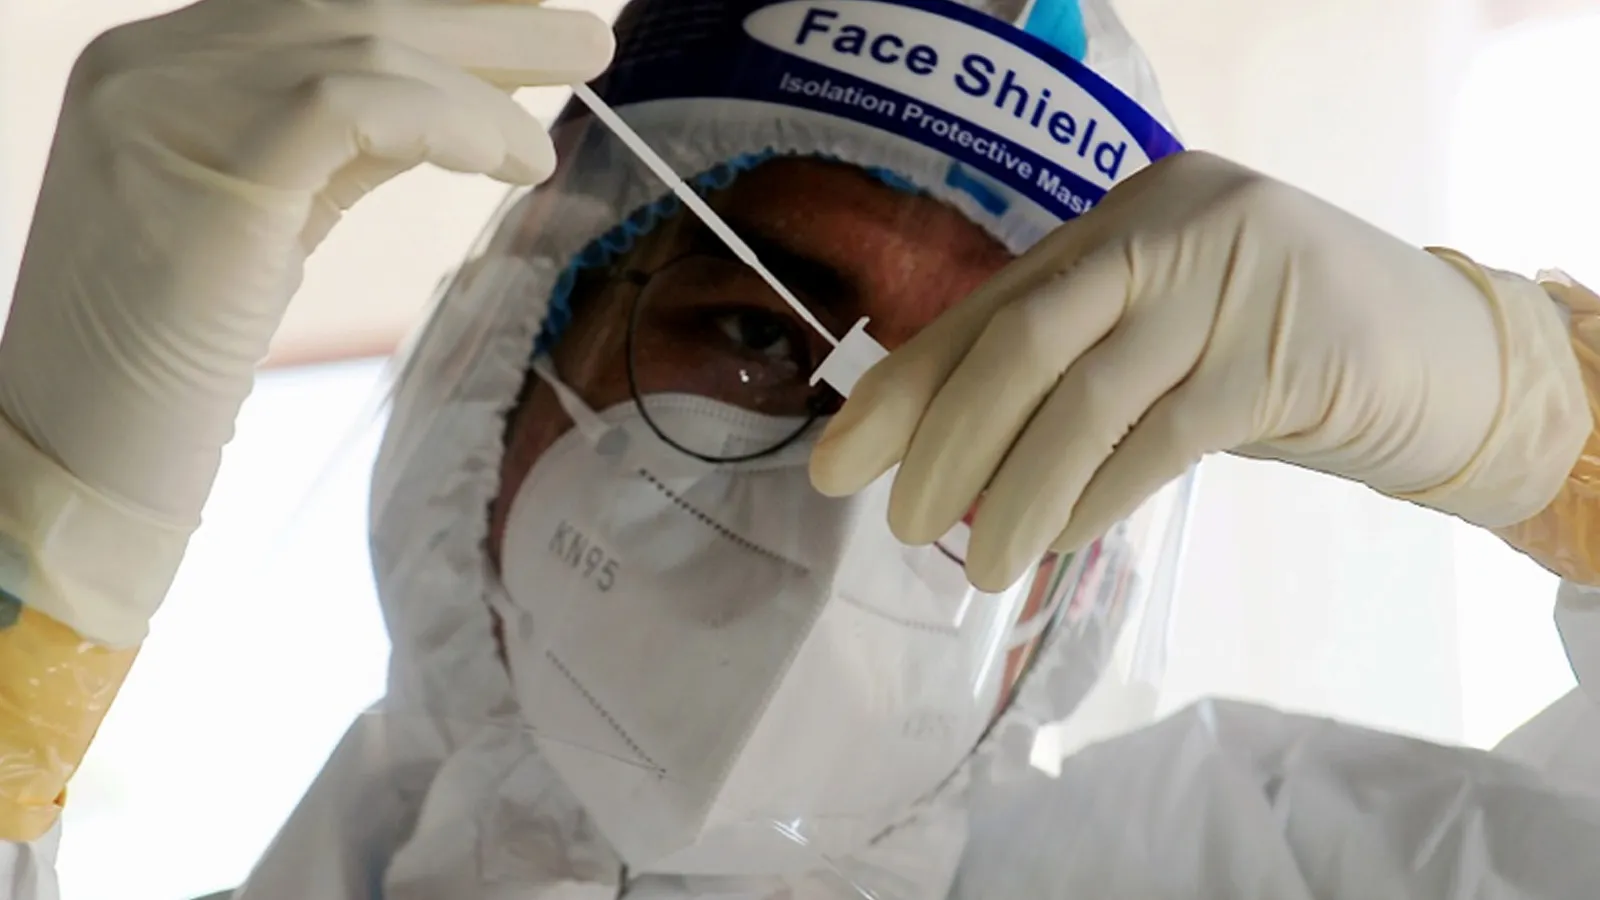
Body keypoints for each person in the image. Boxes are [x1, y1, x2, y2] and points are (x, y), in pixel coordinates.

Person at [2, 0, 1600, 897]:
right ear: (499, 375)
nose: (852, 493)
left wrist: (1557, 423)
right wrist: (29, 581)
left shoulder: (1279, 869)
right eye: (760, 336)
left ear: (1084, 570)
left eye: (1004, 401)